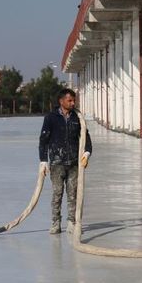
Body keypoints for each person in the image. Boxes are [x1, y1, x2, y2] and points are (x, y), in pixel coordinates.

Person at [39, 88, 92, 235]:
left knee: (73, 194)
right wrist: (43, 161)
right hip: (57, 163)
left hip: (74, 163)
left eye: (74, 100)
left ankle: (71, 222)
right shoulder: (51, 118)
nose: (72, 103)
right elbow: (43, 140)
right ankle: (56, 223)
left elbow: (86, 138)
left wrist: (86, 153)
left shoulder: (78, 118)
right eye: (69, 100)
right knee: (57, 194)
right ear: (61, 101)